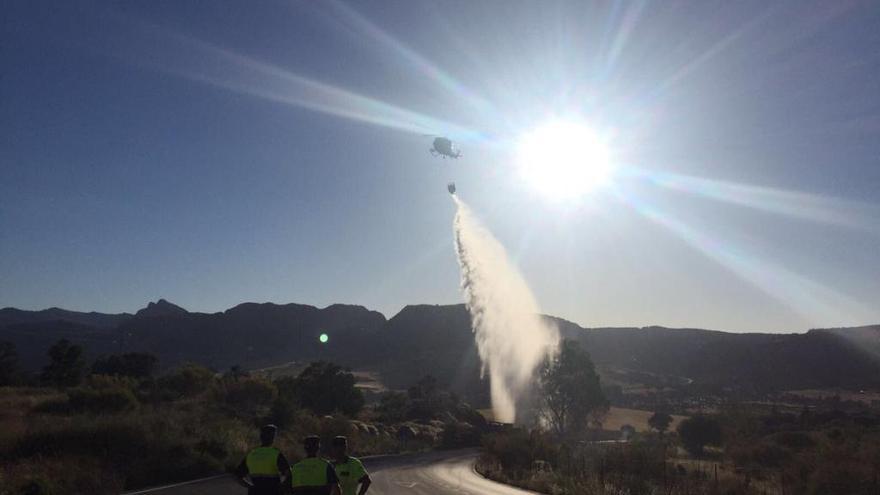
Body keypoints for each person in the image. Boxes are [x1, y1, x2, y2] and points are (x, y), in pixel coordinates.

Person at [235, 424, 291, 495]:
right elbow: (289, 475)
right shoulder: (275, 454)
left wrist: (250, 486)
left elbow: (237, 476)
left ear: (261, 438)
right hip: (273, 492)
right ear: (272, 438)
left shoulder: (251, 454)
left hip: (255, 492)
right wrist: (281, 487)